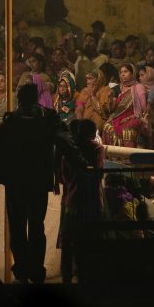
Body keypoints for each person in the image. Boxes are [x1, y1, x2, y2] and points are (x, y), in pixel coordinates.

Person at [0, 83, 79, 283]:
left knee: (18, 227)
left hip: (16, 183)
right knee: (37, 227)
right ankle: (36, 270)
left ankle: (21, 270)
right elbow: (66, 143)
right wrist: (81, 164)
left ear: (19, 99)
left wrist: (3, 177)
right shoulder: (48, 119)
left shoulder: (10, 122)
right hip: (39, 181)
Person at [58, 119, 102, 283]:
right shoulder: (96, 148)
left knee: (69, 239)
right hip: (91, 200)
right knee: (90, 238)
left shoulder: (69, 148)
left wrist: (72, 185)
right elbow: (99, 173)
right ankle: (86, 275)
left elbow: (64, 176)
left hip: (71, 198)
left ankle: (67, 276)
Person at [102, 63, 147, 148]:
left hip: (135, 116)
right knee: (107, 126)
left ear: (132, 73)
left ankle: (128, 157)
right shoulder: (118, 88)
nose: (122, 74)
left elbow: (143, 109)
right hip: (119, 117)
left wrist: (129, 118)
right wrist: (111, 99)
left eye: (125, 71)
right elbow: (113, 110)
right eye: (121, 72)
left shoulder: (138, 87)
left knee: (127, 129)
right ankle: (113, 156)